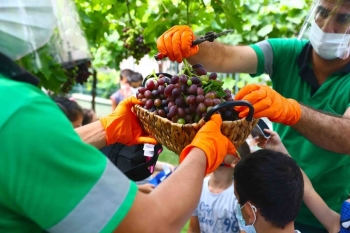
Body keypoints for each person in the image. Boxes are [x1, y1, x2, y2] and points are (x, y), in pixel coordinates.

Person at [0, 0, 238, 232]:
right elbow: (153, 224)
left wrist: (105, 128)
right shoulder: (18, 110)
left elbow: (37, 151)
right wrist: (201, 153)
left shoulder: (9, 106)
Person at [156, 0, 350, 231]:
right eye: (323, 12)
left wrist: (293, 111)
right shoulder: (285, 52)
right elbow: (226, 57)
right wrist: (194, 48)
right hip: (273, 205)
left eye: (342, 18)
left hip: (328, 215)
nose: (327, 26)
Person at [188, 142, 250, 233]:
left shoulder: (240, 197)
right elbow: (193, 229)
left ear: (235, 161)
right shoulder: (199, 187)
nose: (214, 150)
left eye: (223, 149)